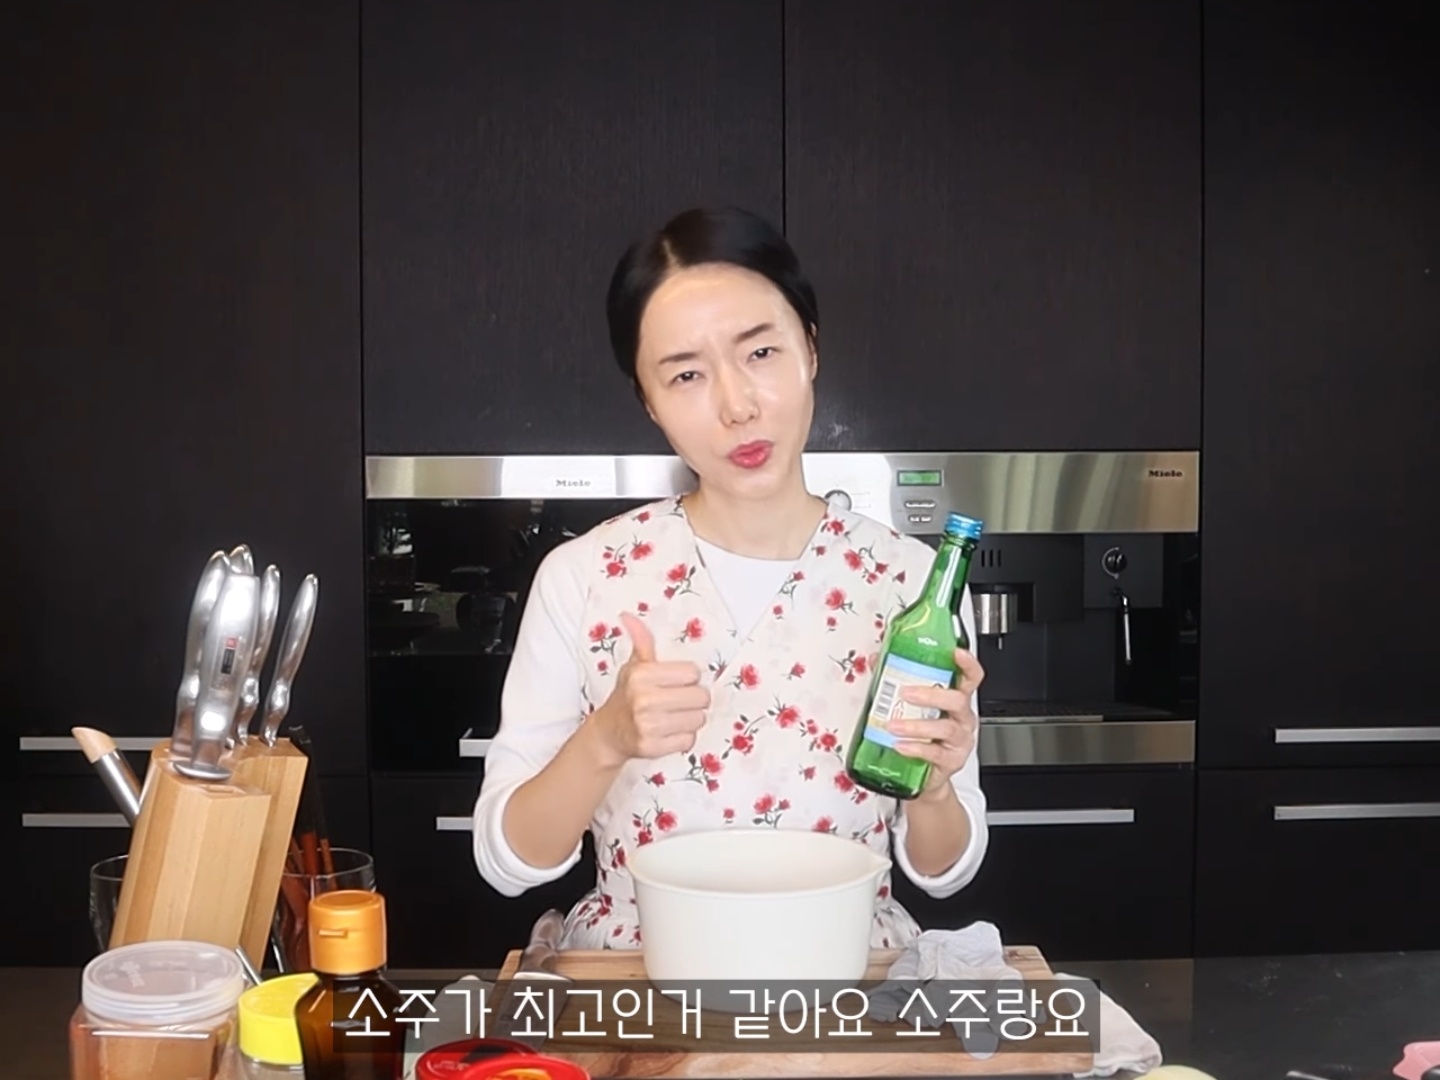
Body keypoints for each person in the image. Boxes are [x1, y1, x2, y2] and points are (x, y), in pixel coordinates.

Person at [472, 206, 989, 949]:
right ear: (649, 402)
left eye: (761, 352)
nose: (737, 406)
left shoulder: (914, 585)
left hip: (843, 973)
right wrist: (605, 739)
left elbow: (945, 872)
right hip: (642, 981)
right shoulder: (582, 576)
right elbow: (508, 861)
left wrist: (933, 786)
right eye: (686, 374)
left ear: (811, 350)